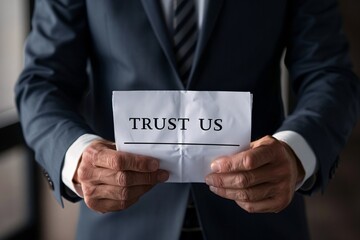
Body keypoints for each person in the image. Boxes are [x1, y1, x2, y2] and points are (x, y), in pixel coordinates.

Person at [15, 0, 360, 239]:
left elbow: (329, 74)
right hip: (120, 224)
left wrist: (297, 154)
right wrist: (75, 156)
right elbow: (42, 82)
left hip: (259, 223)